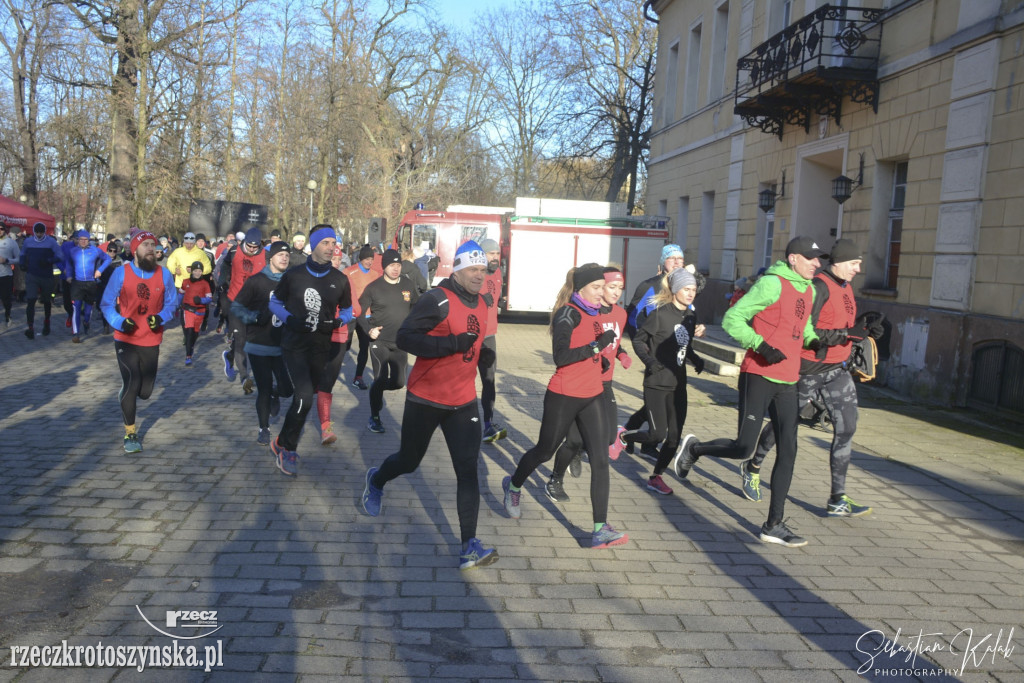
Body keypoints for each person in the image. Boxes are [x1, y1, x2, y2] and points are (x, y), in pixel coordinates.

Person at [673, 236, 824, 548]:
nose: (818, 264)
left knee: (789, 449)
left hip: (789, 379)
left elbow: (802, 327)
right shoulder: (771, 284)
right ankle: (695, 450)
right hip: (759, 374)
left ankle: (774, 524)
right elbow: (732, 319)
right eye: (812, 259)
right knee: (744, 447)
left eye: (819, 259)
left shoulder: (809, 289)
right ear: (794, 259)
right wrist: (761, 346)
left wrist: (817, 341)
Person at [360, 240, 499, 571]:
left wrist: (485, 364)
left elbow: (476, 344)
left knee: (468, 471)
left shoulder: (483, 302)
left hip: (463, 401)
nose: (480, 276)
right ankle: (377, 480)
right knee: (409, 461)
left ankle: (469, 545)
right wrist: (451, 343)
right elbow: (406, 339)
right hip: (426, 397)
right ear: (459, 269)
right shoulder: (437, 299)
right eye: (473, 269)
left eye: (483, 269)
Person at [744, 239, 883, 517]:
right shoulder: (818, 287)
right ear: (839, 262)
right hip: (807, 370)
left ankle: (837, 498)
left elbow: (843, 325)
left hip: (837, 371)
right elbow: (809, 333)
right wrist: (846, 335)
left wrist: (865, 331)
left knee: (846, 429)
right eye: (854, 263)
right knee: (786, 425)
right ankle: (753, 466)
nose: (858, 269)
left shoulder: (846, 287)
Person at [502, 263, 628, 550]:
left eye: (602, 287)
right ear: (581, 288)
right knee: (545, 451)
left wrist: (605, 359)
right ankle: (513, 486)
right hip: (564, 394)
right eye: (596, 287)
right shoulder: (567, 313)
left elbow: (590, 351)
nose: (601, 292)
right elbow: (561, 356)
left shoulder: (596, 313)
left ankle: (600, 529)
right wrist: (597, 348)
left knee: (600, 459)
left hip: (593, 393)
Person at [267, 225, 352, 476]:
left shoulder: (340, 279)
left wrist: (340, 321)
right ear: (313, 245)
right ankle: (289, 451)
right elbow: (274, 302)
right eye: (325, 242)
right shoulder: (294, 275)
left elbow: (348, 311)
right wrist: (289, 319)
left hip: (320, 347)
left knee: (305, 399)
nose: (331, 247)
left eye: (333, 243)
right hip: (294, 344)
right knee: (304, 396)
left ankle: (280, 441)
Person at [545, 266, 632, 498]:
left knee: (611, 437)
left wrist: (621, 354)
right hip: (579, 384)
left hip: (605, 384)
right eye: (610, 287)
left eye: (620, 288)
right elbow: (588, 343)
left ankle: (581, 448)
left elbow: (613, 341)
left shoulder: (621, 314)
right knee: (572, 440)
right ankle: (555, 478)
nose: (615, 292)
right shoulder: (588, 313)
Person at [620, 268, 706, 495]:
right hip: (656, 382)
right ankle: (625, 435)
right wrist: (649, 361)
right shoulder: (659, 314)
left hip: (679, 385)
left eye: (693, 290)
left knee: (674, 438)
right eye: (686, 289)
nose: (690, 294)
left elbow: (684, 346)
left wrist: (696, 359)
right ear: (676, 289)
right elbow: (639, 340)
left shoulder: (690, 316)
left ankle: (656, 477)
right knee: (657, 435)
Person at [99, 230, 178, 453]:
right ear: (135, 251)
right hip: (126, 338)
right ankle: (130, 433)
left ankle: (130, 393)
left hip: (151, 339)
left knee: (145, 391)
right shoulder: (120, 273)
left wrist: (161, 317)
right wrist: (119, 322)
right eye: (146, 245)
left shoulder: (164, 274)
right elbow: (106, 304)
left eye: (153, 245)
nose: (151, 249)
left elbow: (172, 304)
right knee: (132, 383)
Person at [231, 241, 295, 445]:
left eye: (287, 254)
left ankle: (277, 394)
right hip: (258, 344)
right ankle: (264, 428)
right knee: (264, 389)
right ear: (270, 258)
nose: (284, 257)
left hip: (283, 345)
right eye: (280, 254)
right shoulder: (256, 281)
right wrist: (254, 317)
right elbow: (237, 307)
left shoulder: (291, 282)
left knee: (287, 389)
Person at [358, 248, 419, 434]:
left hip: (401, 343)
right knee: (380, 378)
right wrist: (369, 330)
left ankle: (375, 392)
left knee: (400, 382)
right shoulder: (374, 287)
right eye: (392, 265)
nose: (395, 269)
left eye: (398, 265)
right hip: (380, 342)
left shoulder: (408, 284)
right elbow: (359, 312)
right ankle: (374, 417)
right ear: (384, 266)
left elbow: (417, 306)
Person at [219, 228, 266, 392]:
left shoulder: (265, 256)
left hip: (254, 305)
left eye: (255, 247)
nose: (252, 249)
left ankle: (229, 356)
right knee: (240, 341)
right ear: (244, 242)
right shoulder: (233, 251)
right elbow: (223, 266)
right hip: (235, 302)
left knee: (251, 341)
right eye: (249, 246)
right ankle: (245, 377)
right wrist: (222, 284)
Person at [477, 238, 508, 444]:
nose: (495, 258)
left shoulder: (498, 273)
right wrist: (480, 300)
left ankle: (488, 424)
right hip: (471, 335)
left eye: (497, 254)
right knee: (462, 379)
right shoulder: (474, 273)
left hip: (489, 336)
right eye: (491, 254)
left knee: (489, 381)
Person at [342, 245, 381, 390]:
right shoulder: (349, 272)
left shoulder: (376, 274)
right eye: (366, 259)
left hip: (366, 317)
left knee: (364, 347)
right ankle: (329, 373)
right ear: (360, 259)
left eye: (371, 259)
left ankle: (358, 377)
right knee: (344, 346)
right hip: (351, 315)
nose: (369, 262)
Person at [65, 229, 111, 342]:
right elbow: (69, 264)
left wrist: (100, 270)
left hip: (91, 282)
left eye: (86, 239)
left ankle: (86, 321)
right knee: (76, 307)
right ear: (78, 240)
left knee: (88, 309)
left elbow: (108, 259)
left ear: (89, 240)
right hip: (77, 283)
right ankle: (76, 333)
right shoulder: (73, 251)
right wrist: (69, 276)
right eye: (81, 239)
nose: (83, 241)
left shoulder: (95, 250)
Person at [19, 222, 62, 339]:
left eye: (41, 232)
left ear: (44, 232)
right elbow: (22, 253)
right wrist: (22, 263)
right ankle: (30, 328)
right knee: (31, 300)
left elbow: (60, 256)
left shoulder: (51, 242)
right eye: (36, 232)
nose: (38, 234)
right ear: (34, 231)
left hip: (46, 276)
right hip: (32, 275)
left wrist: (49, 260)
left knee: (46, 301)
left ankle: (47, 322)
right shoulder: (28, 241)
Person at [179, 261, 213, 365]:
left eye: (199, 271)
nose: (197, 273)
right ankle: (188, 356)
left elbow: (209, 298)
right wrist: (175, 306)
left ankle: (191, 346)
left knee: (195, 333)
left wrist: (201, 300)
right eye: (195, 271)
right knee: (189, 332)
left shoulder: (205, 284)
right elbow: (180, 294)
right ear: (192, 271)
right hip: (188, 310)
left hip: (200, 312)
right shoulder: (186, 282)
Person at [0, 222, 21, 327]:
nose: (0, 230)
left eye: (1, 229)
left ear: (5, 230)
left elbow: (18, 259)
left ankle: (8, 315)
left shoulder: (11, 243)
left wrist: (7, 260)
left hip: (6, 275)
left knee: (6, 298)